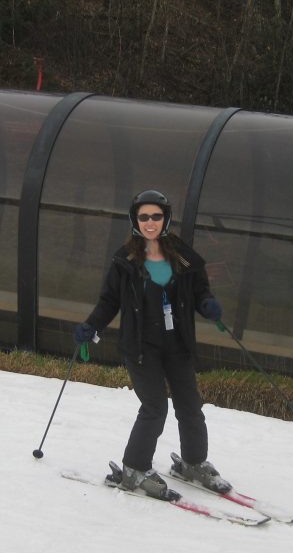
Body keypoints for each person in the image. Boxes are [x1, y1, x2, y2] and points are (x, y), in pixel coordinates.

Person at [73, 189, 230, 500]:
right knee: (155, 407)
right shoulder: (126, 260)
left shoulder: (182, 256)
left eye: (156, 216)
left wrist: (207, 304)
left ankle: (194, 463)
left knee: (190, 406)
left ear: (165, 219)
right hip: (142, 347)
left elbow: (200, 291)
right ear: (135, 220)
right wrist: (91, 326)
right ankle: (134, 468)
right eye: (143, 217)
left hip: (178, 345)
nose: (150, 222)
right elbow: (109, 301)